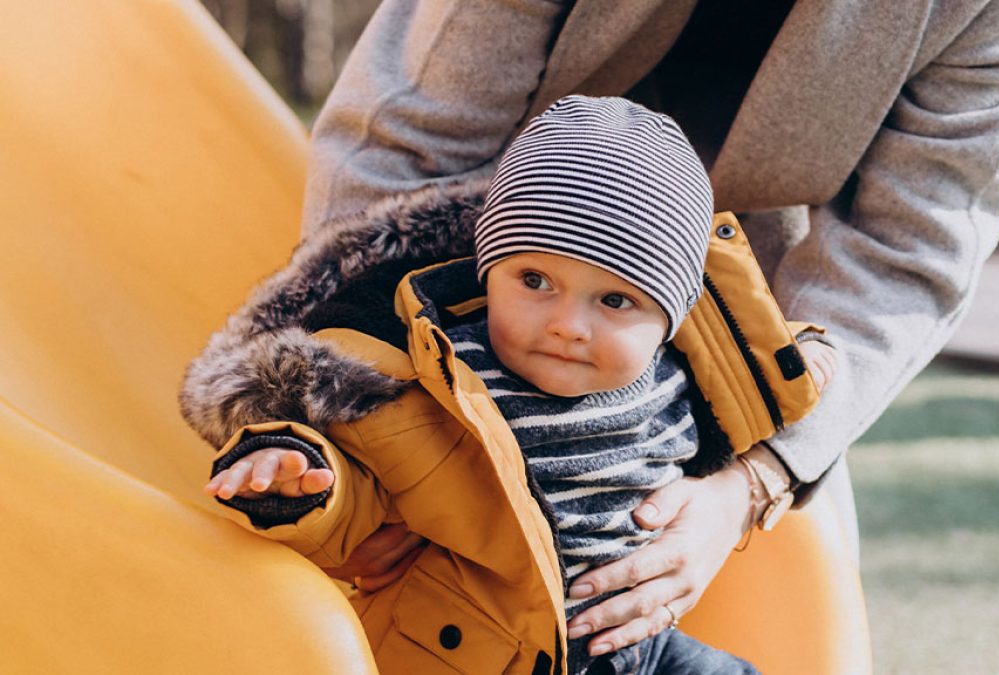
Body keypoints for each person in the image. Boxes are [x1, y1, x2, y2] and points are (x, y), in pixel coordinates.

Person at [186, 0, 999, 662]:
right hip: (504, 229)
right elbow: (412, 134)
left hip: (724, 279)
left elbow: (909, 245)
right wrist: (360, 406)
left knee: (800, 597)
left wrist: (752, 483)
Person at [192, 96, 836, 674]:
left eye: (615, 300)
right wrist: (299, 477)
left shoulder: (685, 381)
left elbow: (775, 384)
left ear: (672, 318)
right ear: (487, 273)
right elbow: (365, 496)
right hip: (463, 646)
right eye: (534, 281)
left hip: (630, 644)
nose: (566, 326)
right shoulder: (435, 375)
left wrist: (811, 360)